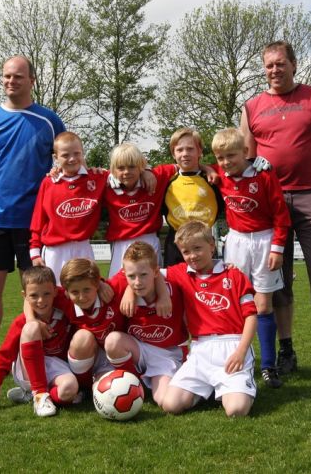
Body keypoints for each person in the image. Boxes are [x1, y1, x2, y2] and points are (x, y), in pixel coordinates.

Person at [240, 40, 311, 383]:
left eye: (280, 63)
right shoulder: (251, 107)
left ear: (293, 64)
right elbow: (247, 162)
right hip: (271, 205)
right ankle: (286, 351)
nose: (274, 70)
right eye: (269, 65)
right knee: (277, 281)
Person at [0, 55, 66, 383]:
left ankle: (40, 357)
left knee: (40, 291)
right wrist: (0, 186)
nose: (11, 81)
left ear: (32, 80)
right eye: (6, 76)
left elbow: (65, 162)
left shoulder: (49, 121)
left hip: (35, 222)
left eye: (18, 76)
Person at [210, 128, 291, 389]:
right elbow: (196, 165)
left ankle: (268, 365)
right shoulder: (219, 174)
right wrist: (207, 167)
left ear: (245, 152)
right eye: (220, 158)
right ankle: (239, 361)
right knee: (235, 303)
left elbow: (281, 214)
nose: (225, 162)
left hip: (265, 241)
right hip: (236, 242)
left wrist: (277, 248)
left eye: (231, 156)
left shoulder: (263, 174)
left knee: (263, 305)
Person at [161, 221, 258, 417]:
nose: (192, 256)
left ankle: (238, 387)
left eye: (197, 248)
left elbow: (251, 316)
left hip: (233, 345)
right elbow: (149, 272)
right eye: (186, 251)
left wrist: (241, 351)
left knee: (236, 410)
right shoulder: (181, 273)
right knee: (170, 405)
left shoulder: (234, 275)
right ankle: (211, 390)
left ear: (212, 245)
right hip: (200, 349)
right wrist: (132, 293)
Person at [0, 266, 79, 418]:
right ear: (24, 296)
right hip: (27, 370)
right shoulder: (21, 322)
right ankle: (39, 395)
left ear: (55, 291)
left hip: (56, 366)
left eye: (46, 294)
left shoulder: (64, 314)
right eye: (34, 295)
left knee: (70, 389)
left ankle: (31, 395)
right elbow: (3, 359)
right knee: (31, 328)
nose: (41, 300)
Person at [105, 242, 187, 407]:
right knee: (113, 341)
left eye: (143, 275)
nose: (137, 282)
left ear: (156, 272)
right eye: (131, 276)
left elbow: (199, 272)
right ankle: (132, 383)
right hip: (139, 349)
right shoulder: (122, 284)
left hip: (166, 355)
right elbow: (97, 287)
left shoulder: (174, 285)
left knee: (163, 400)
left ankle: (200, 390)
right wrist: (126, 290)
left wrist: (228, 267)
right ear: (124, 274)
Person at [29, 131, 107, 284]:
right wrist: (35, 252)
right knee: (55, 293)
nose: (72, 159)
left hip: (83, 248)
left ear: (83, 153)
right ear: (55, 158)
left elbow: (125, 174)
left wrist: (147, 172)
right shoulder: (49, 183)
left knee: (88, 292)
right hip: (55, 251)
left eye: (77, 153)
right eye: (65, 155)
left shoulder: (98, 177)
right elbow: (38, 219)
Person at [152, 128, 221, 267]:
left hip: (205, 241)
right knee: (174, 280)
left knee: (207, 280)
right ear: (173, 153)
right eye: (180, 150)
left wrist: (207, 168)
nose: (185, 154)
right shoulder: (166, 180)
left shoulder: (213, 178)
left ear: (200, 151)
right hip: (175, 243)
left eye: (190, 149)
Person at [104, 143, 173, 275]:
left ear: (140, 166)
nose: (126, 172)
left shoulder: (155, 178)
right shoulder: (105, 183)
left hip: (150, 241)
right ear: (113, 169)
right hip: (121, 244)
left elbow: (181, 166)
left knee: (153, 283)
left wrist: (148, 170)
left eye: (132, 167)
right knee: (119, 285)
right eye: (121, 168)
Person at [61, 258, 126, 389]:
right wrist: (31, 318)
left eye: (86, 289)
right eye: (75, 292)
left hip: (119, 352)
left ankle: (134, 377)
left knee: (114, 339)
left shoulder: (111, 289)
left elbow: (136, 269)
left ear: (96, 285)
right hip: (94, 356)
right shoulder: (63, 300)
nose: (82, 297)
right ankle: (83, 386)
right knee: (82, 337)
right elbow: (35, 294)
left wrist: (129, 291)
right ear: (66, 292)